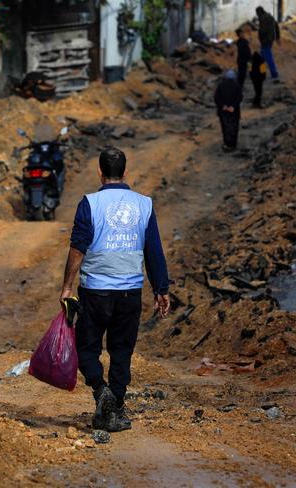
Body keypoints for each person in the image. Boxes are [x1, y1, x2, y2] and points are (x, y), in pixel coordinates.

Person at [60, 147, 170, 432]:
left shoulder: (90, 203)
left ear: (99, 172)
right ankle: (115, 408)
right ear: (125, 172)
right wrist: (161, 288)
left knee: (86, 348)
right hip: (130, 292)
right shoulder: (143, 204)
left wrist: (67, 286)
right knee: (122, 351)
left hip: (95, 290)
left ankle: (101, 391)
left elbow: (77, 248)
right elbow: (154, 251)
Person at [214, 70, 243, 151]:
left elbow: (216, 97)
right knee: (234, 126)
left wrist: (223, 106)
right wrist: (233, 106)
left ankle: (227, 143)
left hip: (223, 111)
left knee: (225, 126)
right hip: (234, 110)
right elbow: (239, 97)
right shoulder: (237, 86)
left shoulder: (220, 86)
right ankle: (233, 144)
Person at [256, 6, 280, 81]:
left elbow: (262, 31)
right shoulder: (270, 16)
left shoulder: (262, 18)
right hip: (270, 39)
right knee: (262, 57)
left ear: (259, 12)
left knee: (268, 57)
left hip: (265, 40)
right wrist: (277, 37)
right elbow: (276, 26)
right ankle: (262, 72)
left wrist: (261, 39)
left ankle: (274, 73)